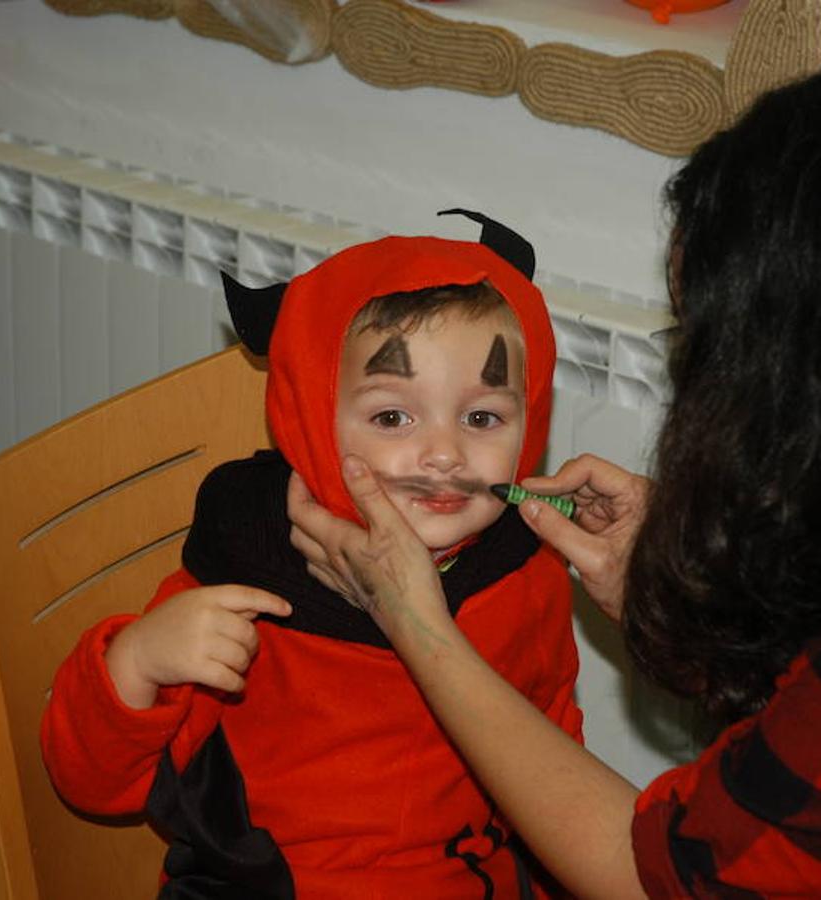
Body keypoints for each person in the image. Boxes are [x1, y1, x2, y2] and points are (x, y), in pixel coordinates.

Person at [287, 58, 821, 897]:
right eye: (393, 414)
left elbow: (666, 880)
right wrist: (693, 600)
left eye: (710, 347)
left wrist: (417, 627)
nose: (441, 454)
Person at [40, 213, 584, 899]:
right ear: (310, 418)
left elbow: (555, 756)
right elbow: (93, 782)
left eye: (482, 418)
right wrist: (136, 662)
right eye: (392, 417)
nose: (444, 454)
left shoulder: (526, 568)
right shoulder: (246, 584)